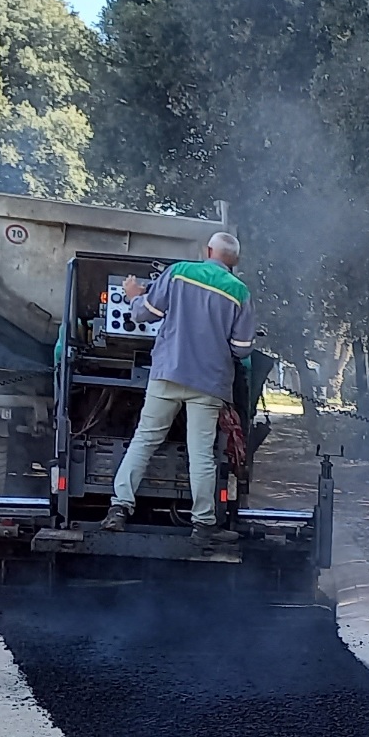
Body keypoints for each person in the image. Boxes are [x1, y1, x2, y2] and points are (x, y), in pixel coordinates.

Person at [98, 232, 256, 547]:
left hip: (168, 373)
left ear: (207, 250)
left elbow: (144, 314)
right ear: (234, 261)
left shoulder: (180, 271)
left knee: (145, 439)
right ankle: (203, 525)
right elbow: (242, 349)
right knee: (201, 455)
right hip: (209, 383)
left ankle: (119, 508)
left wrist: (133, 294)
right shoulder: (240, 292)